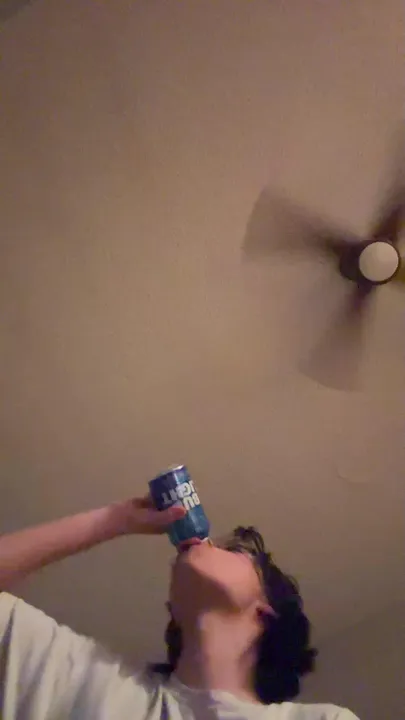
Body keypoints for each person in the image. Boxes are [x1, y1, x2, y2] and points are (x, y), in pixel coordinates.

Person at [0, 495, 359, 719]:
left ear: (264, 612)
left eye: (235, 551)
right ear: (173, 608)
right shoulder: (90, 680)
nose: (209, 544)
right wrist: (113, 520)